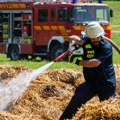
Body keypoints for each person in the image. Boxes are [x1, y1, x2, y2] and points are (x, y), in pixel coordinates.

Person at [59, 21, 116, 120]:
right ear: (88, 36)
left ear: (101, 35)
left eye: (97, 37)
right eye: (93, 38)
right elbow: (71, 38)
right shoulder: (87, 41)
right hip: (91, 83)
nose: (95, 39)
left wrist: (78, 61)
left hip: (106, 84)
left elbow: (95, 63)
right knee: (75, 102)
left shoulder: (106, 47)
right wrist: (75, 42)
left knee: (110, 112)